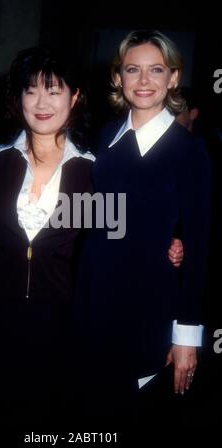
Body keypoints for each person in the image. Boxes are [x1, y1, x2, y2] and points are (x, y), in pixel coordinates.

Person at [0, 45, 183, 429]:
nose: (42, 102)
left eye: (54, 89)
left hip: (63, 335)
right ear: (18, 99)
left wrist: (167, 246)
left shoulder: (94, 171)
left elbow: (120, 246)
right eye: (31, 90)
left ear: (75, 96)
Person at [77, 30, 211, 428]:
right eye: (133, 69)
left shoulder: (189, 150)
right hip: (90, 299)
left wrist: (186, 335)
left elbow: (201, 244)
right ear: (118, 77)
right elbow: (88, 211)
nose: (144, 80)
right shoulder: (104, 137)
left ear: (173, 78)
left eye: (157, 70)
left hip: (149, 303)